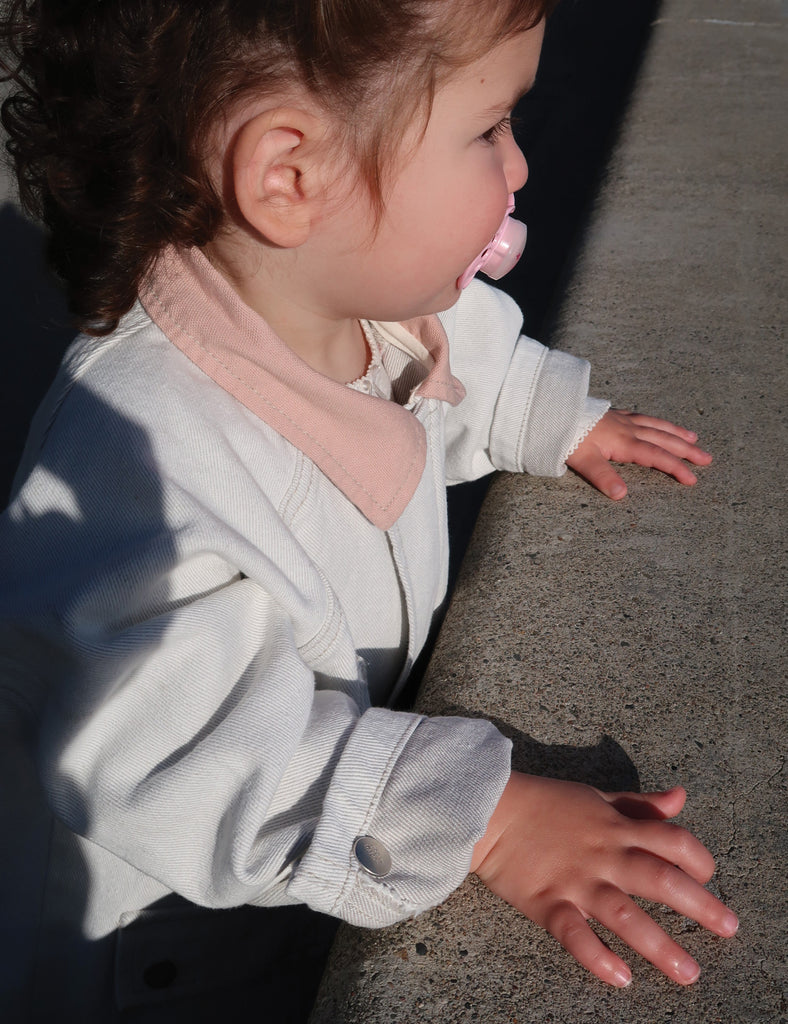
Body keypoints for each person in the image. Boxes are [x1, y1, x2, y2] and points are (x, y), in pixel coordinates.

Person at [0, 1, 737, 1019]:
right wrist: (481, 821)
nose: (517, 170)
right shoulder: (144, 465)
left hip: (284, 888)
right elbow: (179, 754)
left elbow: (441, 356)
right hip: (160, 948)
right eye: (486, 130)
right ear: (289, 177)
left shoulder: (328, 296)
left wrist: (542, 414)